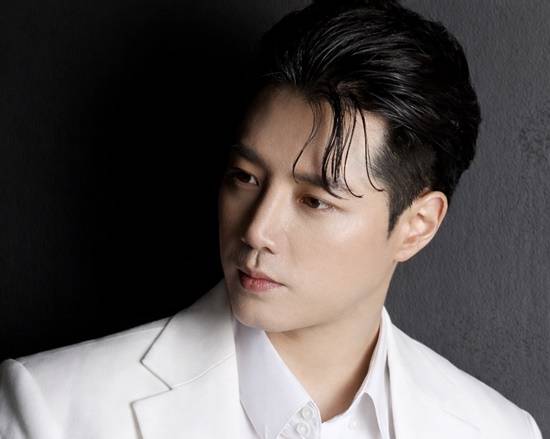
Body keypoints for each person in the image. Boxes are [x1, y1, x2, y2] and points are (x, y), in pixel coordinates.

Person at [0, 1, 543, 438]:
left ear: (417, 224)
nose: (256, 231)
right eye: (244, 177)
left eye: (315, 201)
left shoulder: (499, 431)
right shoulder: (54, 411)